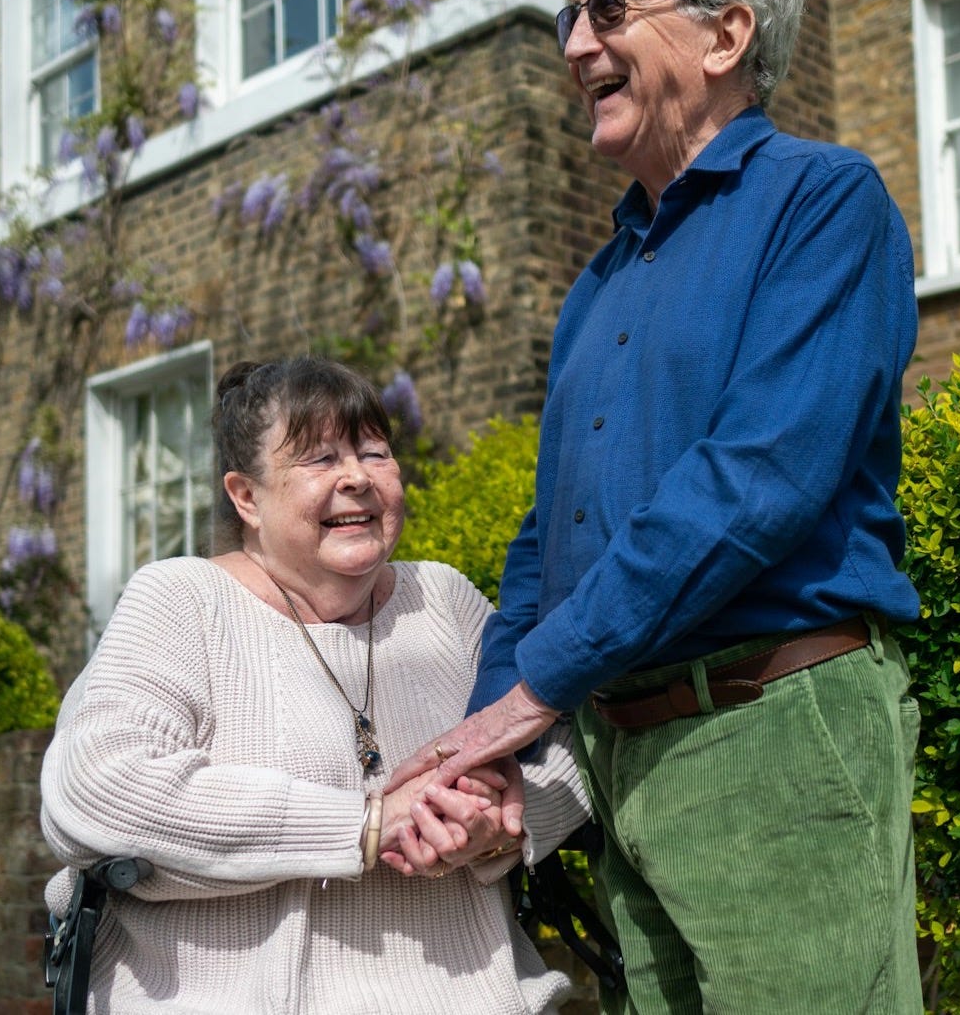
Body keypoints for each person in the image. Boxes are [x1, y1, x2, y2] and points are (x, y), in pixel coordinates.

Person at [387, 0, 924, 1015]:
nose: (576, 42)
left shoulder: (826, 202)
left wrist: (536, 686)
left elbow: (758, 480)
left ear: (726, 34)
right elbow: (552, 533)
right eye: (571, 14)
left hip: (773, 733)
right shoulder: (597, 279)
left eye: (610, 8)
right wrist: (491, 745)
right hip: (625, 756)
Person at [40, 355, 589, 1014]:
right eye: (320, 459)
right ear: (246, 496)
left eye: (374, 452)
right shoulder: (182, 602)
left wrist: (499, 822)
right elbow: (97, 790)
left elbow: (573, 746)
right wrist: (366, 824)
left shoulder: (442, 600)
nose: (357, 478)